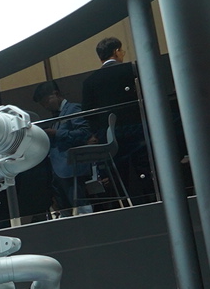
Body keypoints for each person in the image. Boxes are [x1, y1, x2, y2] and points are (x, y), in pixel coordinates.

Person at [79, 36, 149, 201]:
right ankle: (151, 199)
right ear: (116, 51)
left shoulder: (89, 82)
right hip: (137, 130)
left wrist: (98, 132)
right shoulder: (131, 69)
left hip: (109, 136)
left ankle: (124, 204)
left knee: (118, 176)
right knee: (144, 170)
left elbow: (87, 112)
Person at [33, 81, 98, 216]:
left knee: (80, 206)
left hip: (71, 168)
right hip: (58, 170)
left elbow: (85, 133)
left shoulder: (73, 109)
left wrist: (56, 133)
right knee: (65, 209)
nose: (45, 106)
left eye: (46, 102)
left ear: (56, 94)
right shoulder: (56, 115)